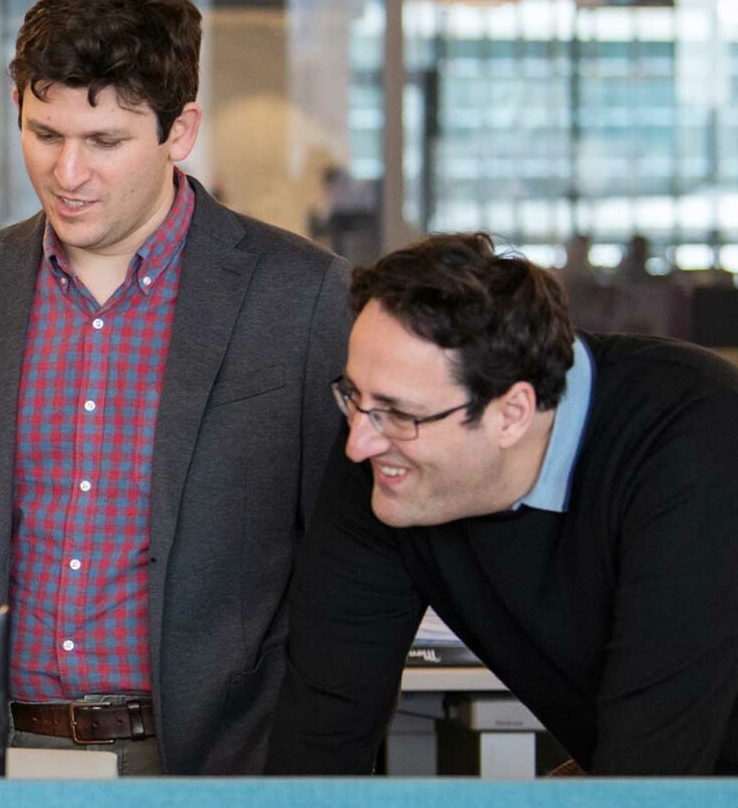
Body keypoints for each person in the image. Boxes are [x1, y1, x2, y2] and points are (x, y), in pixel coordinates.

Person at [0, 0, 352, 775]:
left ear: (180, 129)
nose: (67, 173)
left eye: (104, 142)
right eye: (43, 132)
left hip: (214, 759)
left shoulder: (299, 299)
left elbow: (339, 561)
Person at [269, 233, 738, 775]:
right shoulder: (382, 451)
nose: (357, 443)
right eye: (354, 396)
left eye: (400, 413)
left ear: (513, 413)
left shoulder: (698, 443)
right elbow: (324, 726)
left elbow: (652, 767)